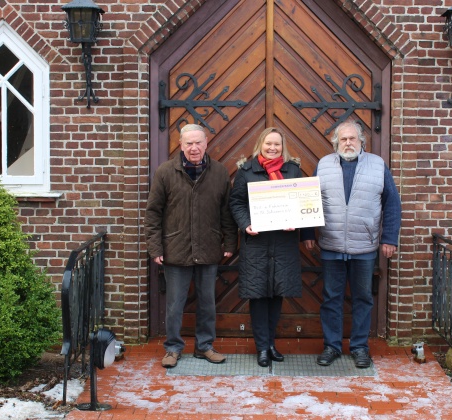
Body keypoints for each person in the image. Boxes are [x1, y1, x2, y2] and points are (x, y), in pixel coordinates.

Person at [304, 120, 401, 369]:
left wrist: (389, 238)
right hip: (331, 244)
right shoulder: (324, 165)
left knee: (363, 298)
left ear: (362, 141)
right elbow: (309, 200)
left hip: (364, 247)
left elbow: (391, 203)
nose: (348, 143)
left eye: (353, 139)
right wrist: (307, 233)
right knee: (331, 299)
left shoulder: (377, 165)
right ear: (336, 143)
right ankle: (332, 346)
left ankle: (359, 348)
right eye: (343, 139)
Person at [145, 124, 238, 369]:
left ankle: (204, 346)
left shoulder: (218, 172)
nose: (194, 148)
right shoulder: (166, 172)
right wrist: (156, 248)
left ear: (206, 143)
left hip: (208, 247)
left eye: (198, 143)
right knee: (175, 304)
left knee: (207, 302)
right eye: (189, 143)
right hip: (176, 248)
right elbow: (153, 213)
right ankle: (173, 348)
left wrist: (230, 241)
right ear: (180, 144)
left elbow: (226, 211)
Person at [229, 127, 306, 367]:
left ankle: (272, 344)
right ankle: (262, 347)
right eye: (268, 144)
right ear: (260, 145)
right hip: (257, 245)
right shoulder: (246, 171)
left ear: (283, 147)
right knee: (259, 296)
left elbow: (303, 201)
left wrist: (296, 221)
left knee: (276, 295)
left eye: (277, 144)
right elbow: (236, 202)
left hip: (284, 244)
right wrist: (245, 224)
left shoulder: (293, 170)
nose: (272, 148)